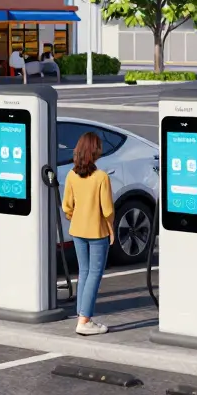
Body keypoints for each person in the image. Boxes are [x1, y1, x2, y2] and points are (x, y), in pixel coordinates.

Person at [61, 132, 116, 336]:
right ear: (94, 151)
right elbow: (108, 210)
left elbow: (67, 206)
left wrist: (75, 217)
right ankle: (85, 320)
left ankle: (80, 314)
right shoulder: (101, 177)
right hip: (97, 231)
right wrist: (111, 228)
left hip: (77, 230)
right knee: (95, 273)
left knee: (84, 272)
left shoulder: (71, 175)